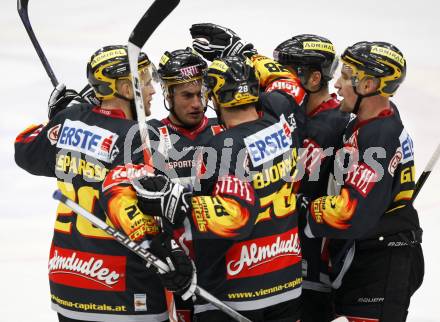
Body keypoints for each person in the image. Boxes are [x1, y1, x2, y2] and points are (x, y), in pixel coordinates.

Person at [14, 45, 187, 322]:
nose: (152, 89)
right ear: (124, 89)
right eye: (143, 80)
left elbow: (25, 152)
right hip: (127, 290)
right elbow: (163, 209)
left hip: (69, 282)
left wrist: (55, 120)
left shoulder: (69, 120)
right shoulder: (139, 137)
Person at [129, 55, 305, 322]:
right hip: (184, 276)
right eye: (187, 95)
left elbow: (233, 213)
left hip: (227, 282)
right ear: (167, 92)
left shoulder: (223, 136)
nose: (197, 104)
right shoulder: (151, 137)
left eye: (201, 94)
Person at [303, 41, 424, 322]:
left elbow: (350, 213)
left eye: (346, 76)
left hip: (383, 262)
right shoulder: (372, 120)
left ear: (368, 85)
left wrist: (304, 212)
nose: (336, 83)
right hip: (370, 254)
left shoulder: (379, 136)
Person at [273, 34, 350, 322]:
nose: (279, 84)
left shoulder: (340, 123)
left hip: (318, 268)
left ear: (314, 78)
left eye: (287, 74)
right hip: (280, 261)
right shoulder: (288, 119)